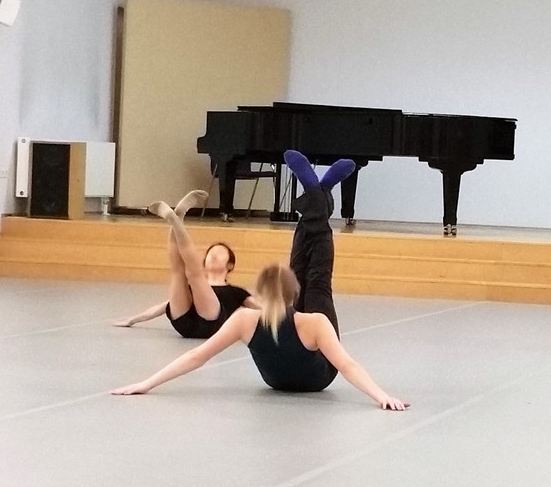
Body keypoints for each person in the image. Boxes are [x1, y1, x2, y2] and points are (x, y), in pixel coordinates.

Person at [111, 151, 410, 410]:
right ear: (292, 292)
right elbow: (346, 365)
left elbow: (197, 356)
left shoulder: (245, 320)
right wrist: (381, 396)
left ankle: (317, 192)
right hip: (317, 379)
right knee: (317, 281)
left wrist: (146, 383)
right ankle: (318, 192)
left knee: (317, 279)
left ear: (261, 294)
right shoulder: (316, 323)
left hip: (275, 381)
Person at [112, 190, 256, 338]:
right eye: (211, 253)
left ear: (230, 265)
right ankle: (176, 218)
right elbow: (163, 307)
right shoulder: (189, 289)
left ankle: (177, 219)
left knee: (193, 275)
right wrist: (133, 320)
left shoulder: (236, 292)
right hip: (183, 323)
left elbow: (262, 308)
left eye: (220, 253)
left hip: (212, 324)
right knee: (178, 273)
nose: (214, 256)